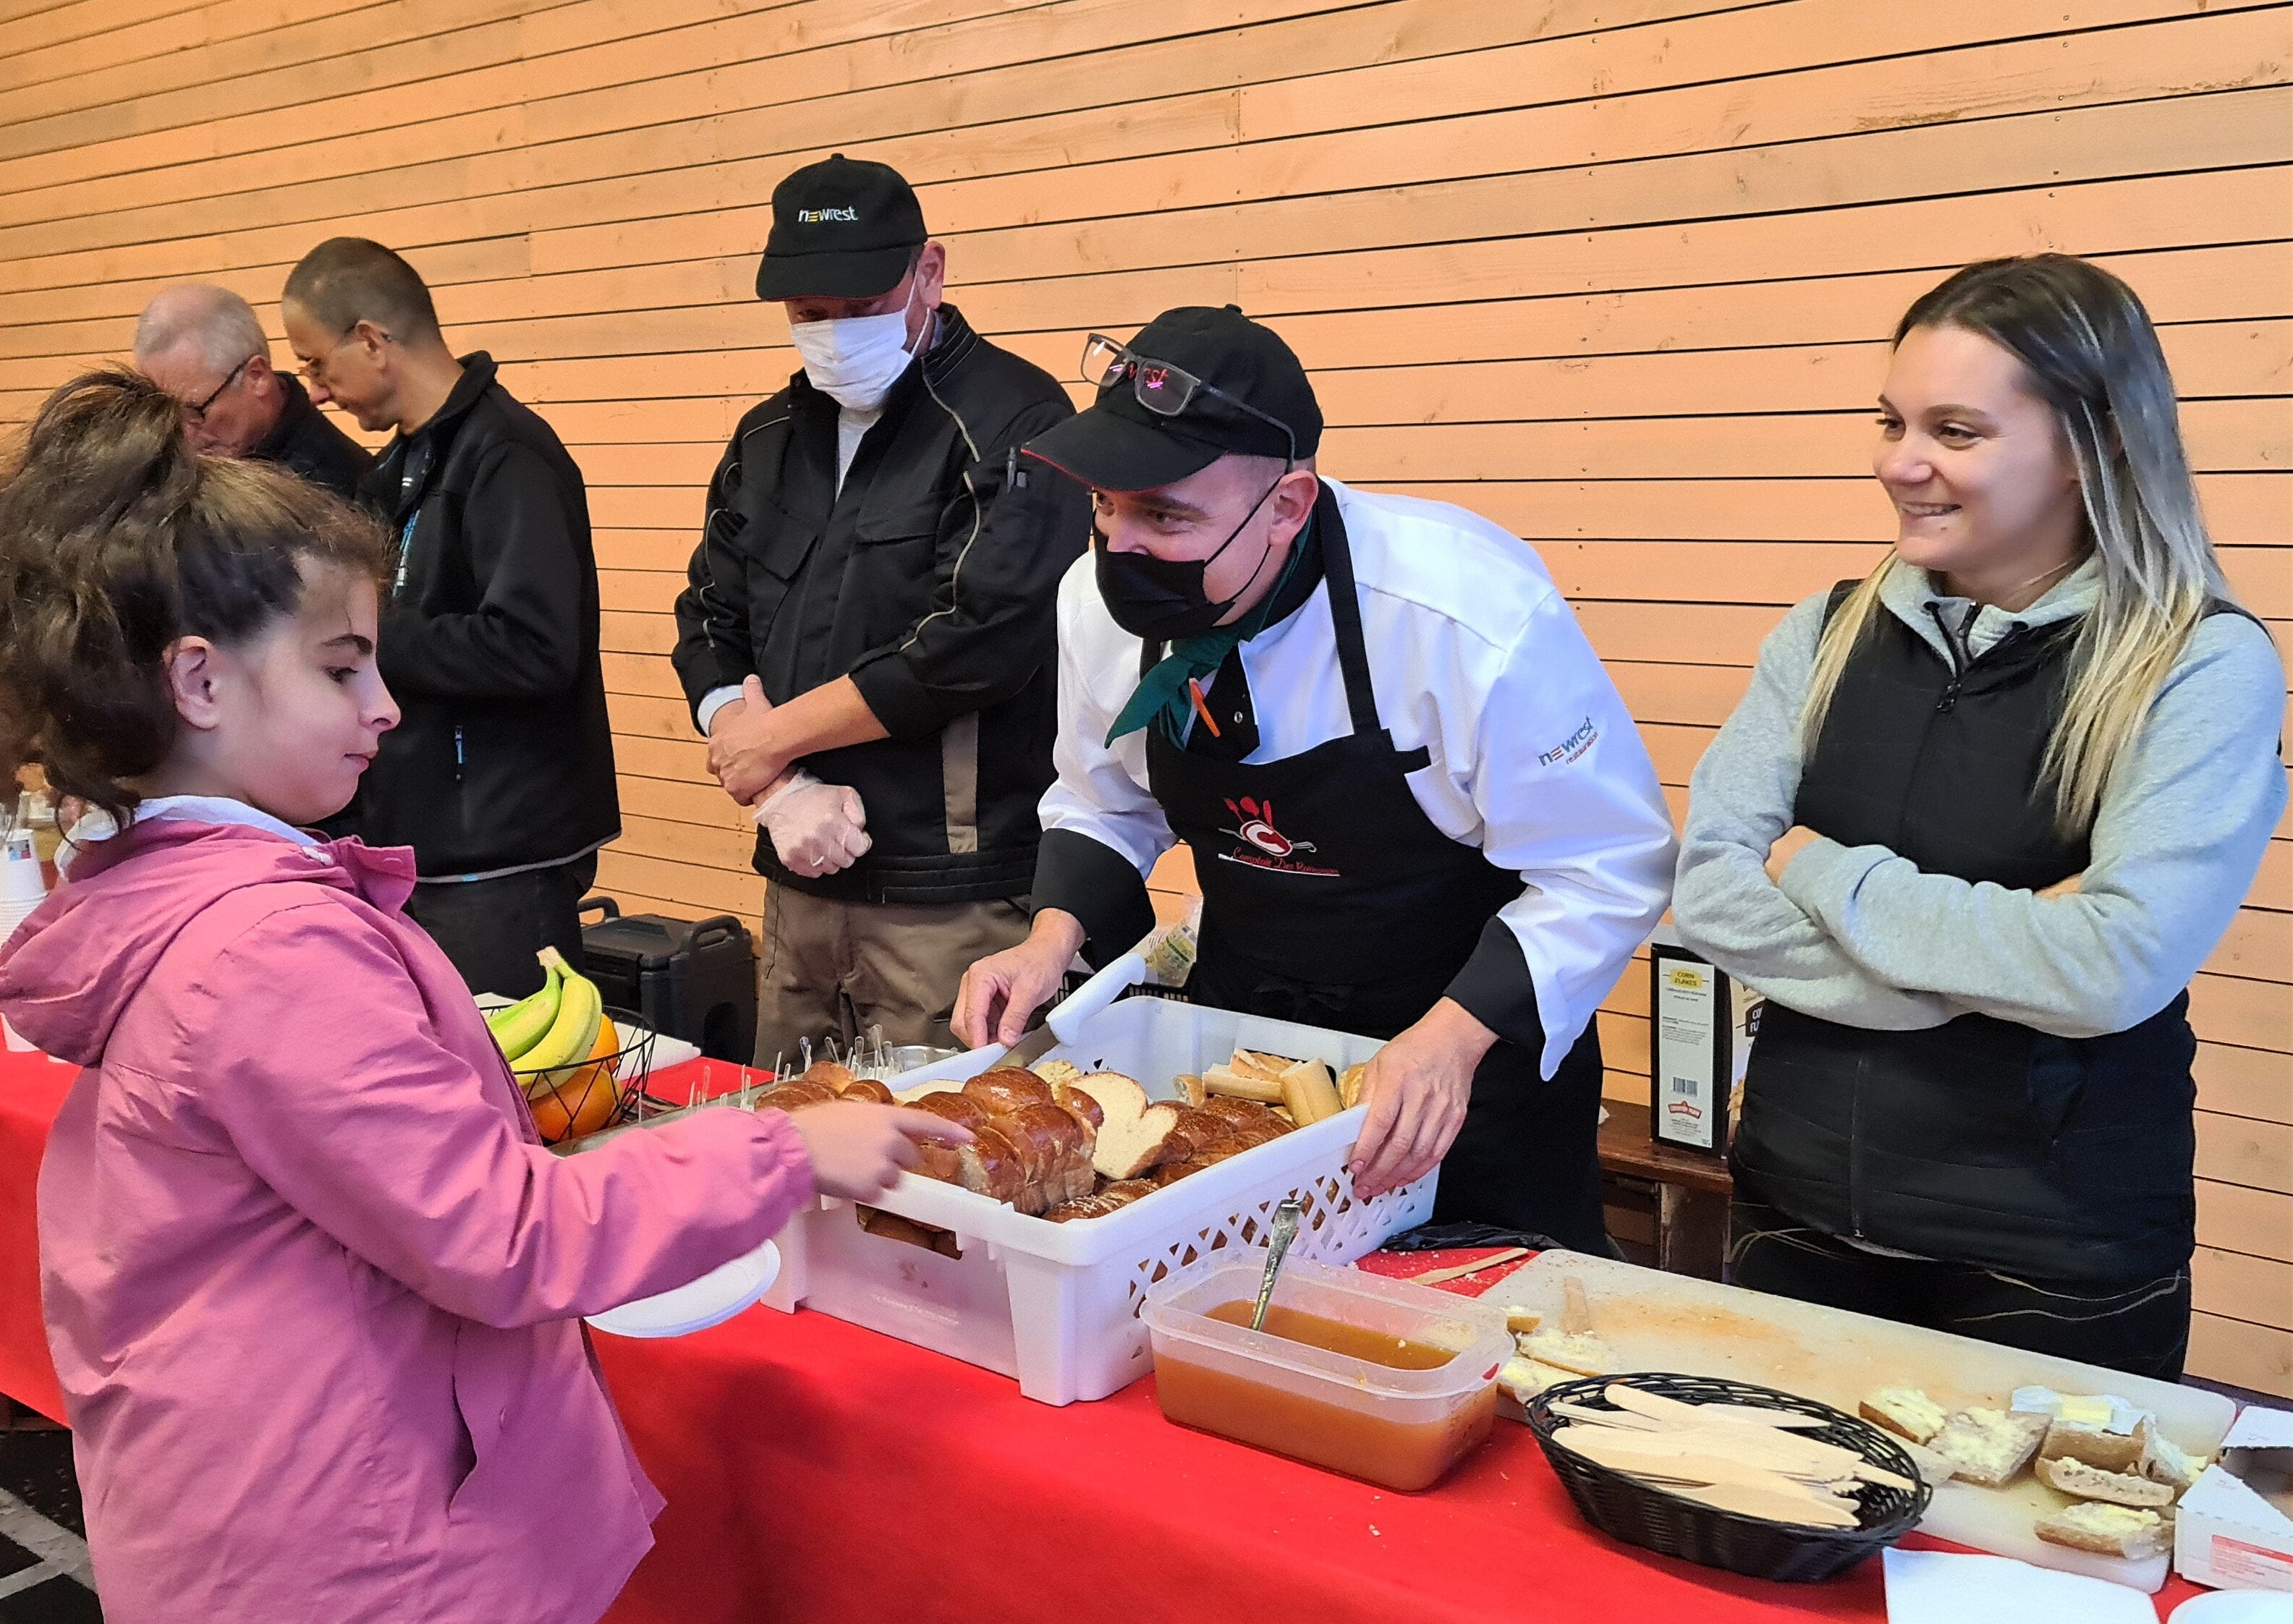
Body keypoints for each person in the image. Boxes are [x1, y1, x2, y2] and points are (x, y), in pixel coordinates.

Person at [0, 369, 965, 1624]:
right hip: (357, 1551)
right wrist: (778, 1152)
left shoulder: (187, 909)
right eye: (340, 670)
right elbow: (506, 1238)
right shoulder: (264, 954)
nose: (386, 707)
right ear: (198, 684)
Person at [1672, 255, 2284, 1379]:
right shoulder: (1824, 633)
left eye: (1955, 431)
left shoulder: (2198, 665)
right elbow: (1708, 888)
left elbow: (2110, 967)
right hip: (1794, 1207)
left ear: (2092, 443)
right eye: (1892, 421)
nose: (1899, 464)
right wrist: (1993, 961)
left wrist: (1822, 875)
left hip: (2053, 1259)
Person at [953, 307, 1677, 1254]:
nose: (1119, 544)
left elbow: (1606, 863)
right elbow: (1104, 799)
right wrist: (1051, 939)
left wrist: (1449, 1041)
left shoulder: (1458, 609)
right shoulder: (1096, 601)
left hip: (1465, 1059)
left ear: (1287, 505)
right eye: (1104, 505)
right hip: (1248, 1043)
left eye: (1166, 514)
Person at [674, 155, 1090, 1066]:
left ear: (928, 273)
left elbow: (978, 640)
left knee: (955, 1175)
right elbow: (707, 618)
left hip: (951, 901)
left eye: (859, 307)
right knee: (796, 1146)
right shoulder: (768, 437)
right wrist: (775, 785)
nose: (832, 333)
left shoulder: (1015, 418)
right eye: (808, 315)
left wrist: (771, 740)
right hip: (797, 879)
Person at [282, 238, 621, 997]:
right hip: (419, 844)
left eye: (315, 365)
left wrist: (365, 645)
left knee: (509, 1096)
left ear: (371, 339)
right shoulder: (399, 466)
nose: (318, 393)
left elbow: (536, 648)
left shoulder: (508, 457)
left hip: (498, 863)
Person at [132, 283, 376, 507]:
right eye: (163, 411)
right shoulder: (181, 457)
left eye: (194, 411)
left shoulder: (335, 491)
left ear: (257, 377)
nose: (182, 434)